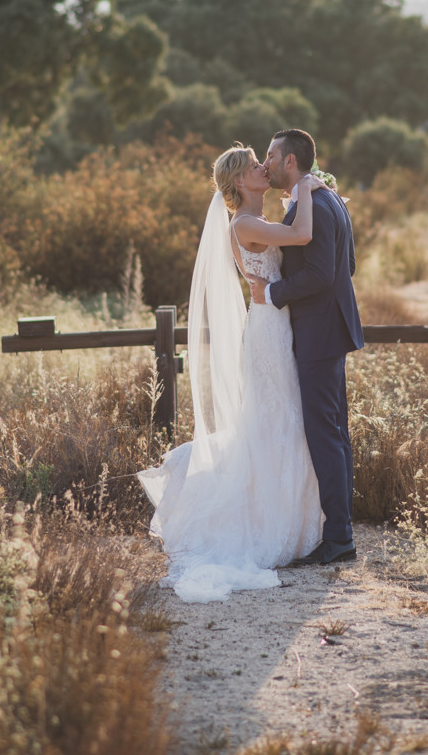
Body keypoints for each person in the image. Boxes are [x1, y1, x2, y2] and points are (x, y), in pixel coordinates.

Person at [137, 144, 328, 602]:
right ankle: (274, 520)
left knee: (278, 418)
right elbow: (302, 234)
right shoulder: (244, 223)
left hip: (273, 322)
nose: (264, 168)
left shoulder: (256, 220)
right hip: (268, 333)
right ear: (241, 182)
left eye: (265, 162)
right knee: (276, 418)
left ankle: (292, 514)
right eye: (255, 166)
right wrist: (306, 186)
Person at [247, 128, 364, 566]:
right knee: (334, 433)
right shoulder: (324, 199)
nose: (268, 163)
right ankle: (340, 531)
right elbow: (346, 265)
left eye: (272, 156)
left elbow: (320, 274)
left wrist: (273, 295)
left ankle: (338, 538)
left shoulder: (313, 202)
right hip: (329, 330)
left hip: (318, 333)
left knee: (324, 434)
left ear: (290, 162)